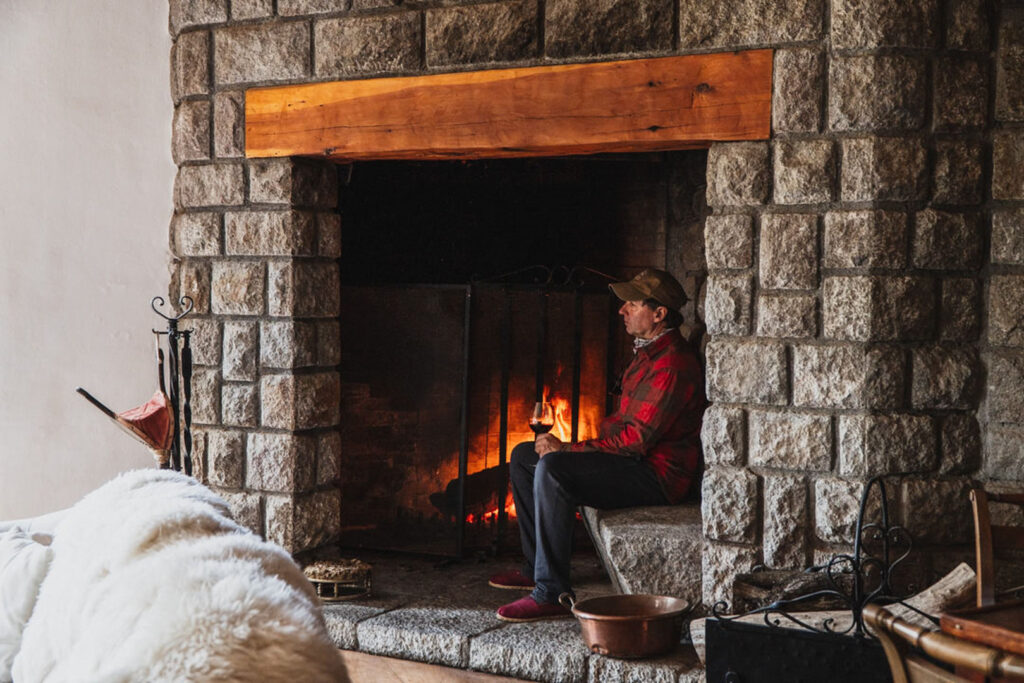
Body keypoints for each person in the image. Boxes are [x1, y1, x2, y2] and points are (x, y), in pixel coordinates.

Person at [488, 268, 707, 622]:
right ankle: (536, 566)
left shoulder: (672, 364)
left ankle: (551, 593)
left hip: (655, 475)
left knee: (553, 468)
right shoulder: (649, 353)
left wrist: (567, 450)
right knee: (524, 455)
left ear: (659, 313)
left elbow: (635, 442)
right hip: (632, 461)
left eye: (632, 304)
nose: (622, 310)